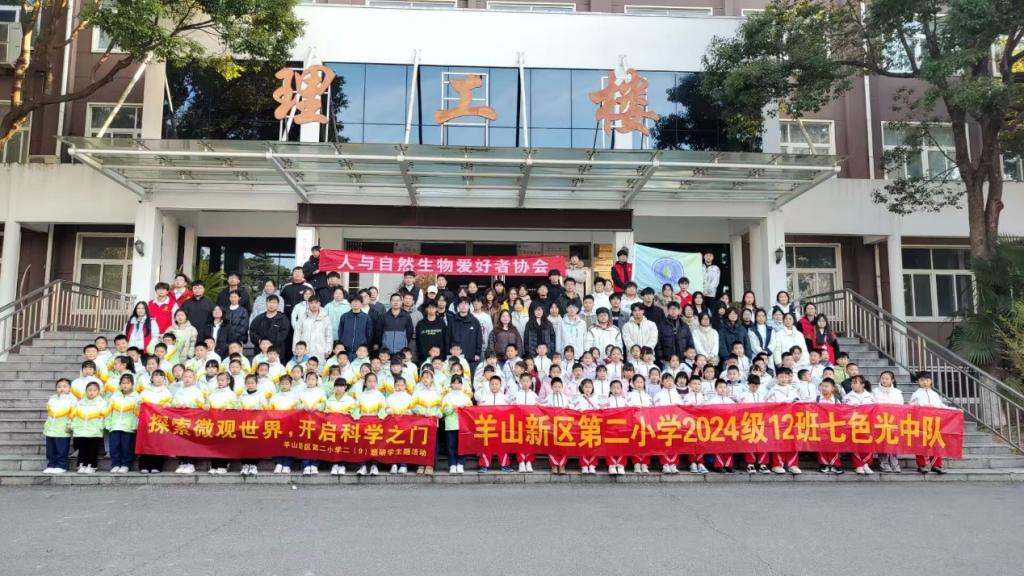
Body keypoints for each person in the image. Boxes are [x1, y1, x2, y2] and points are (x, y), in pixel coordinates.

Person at [909, 371, 950, 474]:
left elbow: (941, 406)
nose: (925, 382)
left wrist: (954, 410)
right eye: (922, 380)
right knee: (921, 443)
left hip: (934, 422)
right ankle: (922, 465)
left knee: (936, 443)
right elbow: (911, 407)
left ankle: (936, 465)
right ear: (918, 381)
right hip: (921, 422)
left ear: (931, 381)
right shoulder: (916, 394)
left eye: (927, 380)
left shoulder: (934, 394)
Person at [765, 367, 801, 474]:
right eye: (781, 377)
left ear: (789, 378)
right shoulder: (773, 390)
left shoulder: (793, 389)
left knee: (793, 442)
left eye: (786, 377)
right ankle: (777, 464)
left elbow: (798, 402)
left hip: (792, 420)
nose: (784, 379)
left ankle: (792, 464)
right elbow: (768, 405)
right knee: (779, 442)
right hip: (778, 421)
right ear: (776, 378)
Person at [138, 369, 172, 473]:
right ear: (152, 378)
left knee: (158, 443)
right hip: (146, 421)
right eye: (156, 376)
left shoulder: (167, 392)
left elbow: (171, 404)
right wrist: (139, 402)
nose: (158, 378)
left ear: (164, 379)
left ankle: (157, 466)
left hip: (160, 421)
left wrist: (168, 405)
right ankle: (144, 465)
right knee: (146, 442)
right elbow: (138, 403)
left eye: (161, 376)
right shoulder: (146, 391)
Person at [476, 376, 512, 473]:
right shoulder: (484, 398)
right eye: (492, 384)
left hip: (501, 427)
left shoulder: (505, 399)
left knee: (502, 446)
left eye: (496, 384)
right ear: (489, 385)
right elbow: (480, 412)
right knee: (486, 446)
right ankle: (484, 465)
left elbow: (509, 413)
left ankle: (505, 465)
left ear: (500, 385)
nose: (494, 386)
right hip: (488, 426)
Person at [71, 381, 108, 474]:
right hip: (81, 430)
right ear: (86, 391)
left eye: (94, 390)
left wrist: (100, 426)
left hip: (94, 430)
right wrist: (74, 426)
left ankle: (91, 465)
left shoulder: (102, 402)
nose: (92, 392)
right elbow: (75, 415)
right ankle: (81, 465)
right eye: (89, 390)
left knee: (92, 449)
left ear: (98, 391)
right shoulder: (80, 402)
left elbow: (104, 416)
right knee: (82, 448)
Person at [105, 374, 140, 473]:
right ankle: (115, 464)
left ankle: (125, 464)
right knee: (114, 447)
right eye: (123, 383)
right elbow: (109, 411)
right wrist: (108, 423)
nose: (125, 385)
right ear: (120, 384)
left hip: (128, 427)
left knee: (127, 447)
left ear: (132, 385)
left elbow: (137, 414)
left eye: (128, 383)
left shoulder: (136, 397)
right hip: (115, 426)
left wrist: (135, 425)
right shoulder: (114, 396)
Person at [355, 373, 387, 476]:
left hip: (375, 424)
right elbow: (356, 410)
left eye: (374, 381)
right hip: (363, 423)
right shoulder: (360, 396)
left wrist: (380, 416)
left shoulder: (380, 396)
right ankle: (363, 465)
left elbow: (383, 410)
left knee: (375, 444)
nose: (372, 384)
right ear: (365, 383)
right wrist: (357, 417)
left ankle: (374, 465)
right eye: (369, 381)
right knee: (362, 444)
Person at [844, 375, 876, 474]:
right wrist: (851, 407)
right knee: (856, 444)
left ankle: (866, 464)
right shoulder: (847, 397)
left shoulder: (870, 396)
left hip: (867, 424)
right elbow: (843, 410)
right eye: (852, 383)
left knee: (868, 444)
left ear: (862, 384)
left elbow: (875, 409)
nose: (853, 385)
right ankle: (858, 465)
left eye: (855, 383)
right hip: (854, 424)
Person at [873, 370, 904, 473]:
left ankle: (894, 462)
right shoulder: (875, 392)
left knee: (893, 442)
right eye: (882, 378)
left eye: (887, 378)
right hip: (880, 421)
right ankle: (884, 462)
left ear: (892, 380)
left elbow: (901, 407)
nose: (884, 380)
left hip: (894, 421)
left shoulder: (897, 392)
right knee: (883, 441)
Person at [43, 378, 76, 474]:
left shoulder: (72, 400)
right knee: (50, 449)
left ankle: (61, 465)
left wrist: (70, 425)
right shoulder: (52, 399)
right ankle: (51, 465)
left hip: (63, 429)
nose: (62, 389)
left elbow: (73, 415)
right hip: (51, 428)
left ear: (69, 388)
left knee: (61, 449)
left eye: (65, 386)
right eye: (59, 387)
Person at [508, 372, 540, 472]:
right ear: (520, 382)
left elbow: (539, 408)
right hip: (519, 422)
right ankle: (521, 462)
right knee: (520, 442)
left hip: (531, 422)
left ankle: (529, 462)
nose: (525, 383)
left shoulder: (534, 395)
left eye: (527, 381)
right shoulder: (516, 395)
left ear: (531, 382)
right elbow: (510, 406)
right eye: (523, 381)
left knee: (531, 441)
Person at [268, 376, 300, 474]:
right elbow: (270, 411)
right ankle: (278, 463)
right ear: (279, 384)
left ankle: (287, 464)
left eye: (286, 383)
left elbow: (298, 410)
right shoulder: (275, 397)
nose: (284, 385)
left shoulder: (295, 397)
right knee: (277, 443)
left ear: (290, 384)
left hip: (290, 423)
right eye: (282, 383)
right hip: (277, 423)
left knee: (289, 443)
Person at [653, 373, 683, 473]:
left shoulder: (677, 395)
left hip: (675, 423)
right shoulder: (658, 395)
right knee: (663, 443)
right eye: (666, 380)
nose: (669, 382)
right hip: (663, 423)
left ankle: (673, 464)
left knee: (675, 443)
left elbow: (682, 408)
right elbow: (655, 410)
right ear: (662, 382)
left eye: (671, 380)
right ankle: (665, 463)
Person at [442, 376, 471, 474]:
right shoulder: (447, 397)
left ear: (462, 385)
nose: (456, 385)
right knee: (451, 445)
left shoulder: (466, 397)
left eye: (458, 383)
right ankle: (452, 464)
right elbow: (443, 411)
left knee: (462, 445)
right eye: (454, 383)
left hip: (463, 425)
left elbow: (471, 410)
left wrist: (464, 408)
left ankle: (460, 463)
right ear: (451, 384)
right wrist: (451, 408)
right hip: (450, 424)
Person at [814, 378, 845, 474]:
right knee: (821, 446)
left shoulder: (836, 400)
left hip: (833, 427)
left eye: (826, 386)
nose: (824, 388)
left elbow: (841, 412)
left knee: (834, 446)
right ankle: (823, 464)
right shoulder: (817, 399)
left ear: (832, 388)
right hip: (820, 427)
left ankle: (835, 464)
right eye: (822, 386)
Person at [706, 379, 737, 472]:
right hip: (717, 428)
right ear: (716, 389)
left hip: (728, 427)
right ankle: (718, 465)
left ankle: (728, 465)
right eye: (720, 387)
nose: (722, 389)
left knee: (729, 446)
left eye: (724, 387)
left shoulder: (730, 401)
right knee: (718, 446)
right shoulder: (711, 401)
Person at [626, 374, 653, 473]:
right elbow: (627, 408)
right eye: (637, 382)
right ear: (632, 383)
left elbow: (652, 409)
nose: (639, 384)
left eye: (641, 382)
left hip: (646, 423)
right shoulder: (629, 396)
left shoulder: (648, 396)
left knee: (646, 442)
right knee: (635, 442)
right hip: (635, 423)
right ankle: (636, 463)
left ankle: (645, 463)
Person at [293, 297, 333, 362]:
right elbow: (297, 333)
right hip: (304, 350)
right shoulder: (303, 317)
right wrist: (295, 347)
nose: (314, 305)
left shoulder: (325, 318)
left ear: (319, 304)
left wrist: (328, 348)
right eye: (311, 303)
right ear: (308, 304)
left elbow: (329, 335)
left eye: (316, 303)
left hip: (320, 350)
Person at [447, 298, 484, 365]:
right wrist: (448, 352)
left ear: (469, 306)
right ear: (458, 306)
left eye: (466, 304)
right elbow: (447, 338)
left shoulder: (474, 321)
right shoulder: (452, 320)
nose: (463, 306)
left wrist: (477, 353)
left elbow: (479, 338)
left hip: (470, 357)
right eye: (461, 304)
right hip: (455, 356)